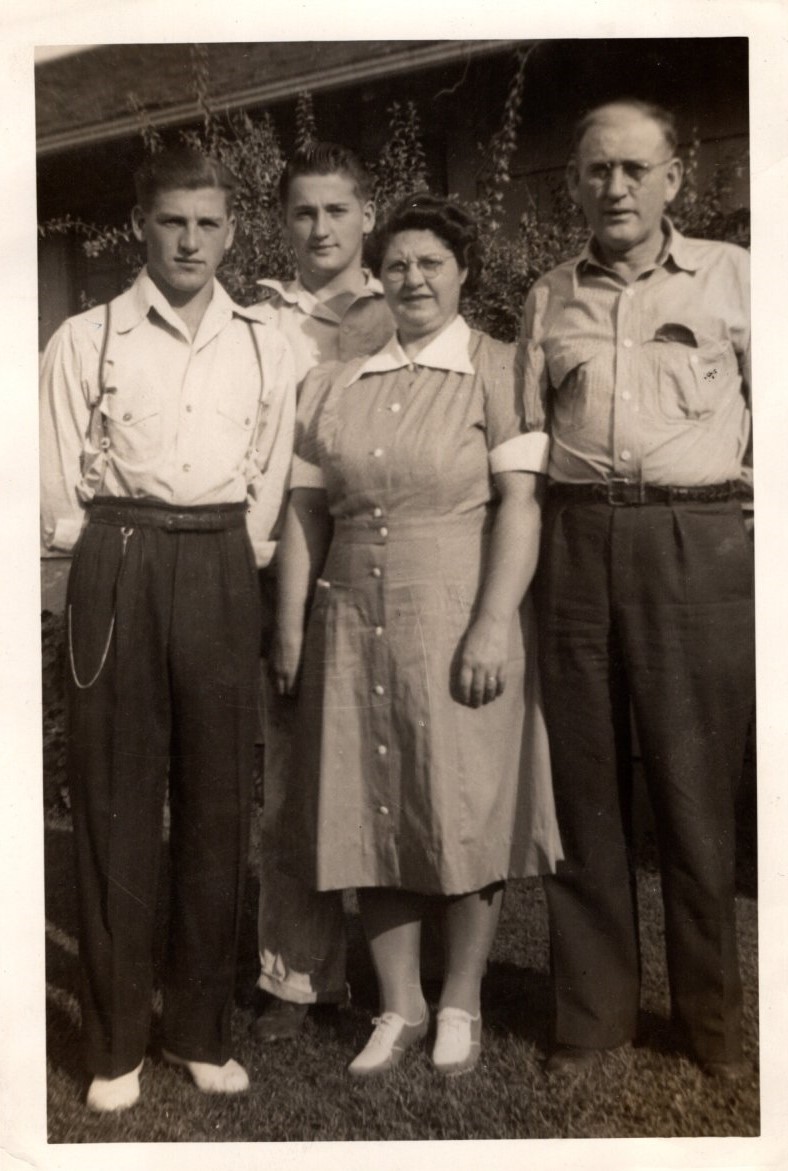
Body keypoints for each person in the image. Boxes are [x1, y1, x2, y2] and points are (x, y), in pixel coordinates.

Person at [272, 193, 562, 1078]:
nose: (413, 278)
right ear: (378, 275)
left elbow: (522, 506)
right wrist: (288, 627)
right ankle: (400, 1005)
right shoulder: (333, 382)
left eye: (431, 262)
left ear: (464, 270)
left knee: (464, 805)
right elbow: (304, 514)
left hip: (457, 612)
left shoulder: (501, 371)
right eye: (397, 264)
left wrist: (489, 623)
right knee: (369, 809)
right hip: (351, 620)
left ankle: (462, 1001)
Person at [39, 148, 296, 1111]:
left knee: (220, 797)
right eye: (172, 222)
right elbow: (55, 473)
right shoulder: (88, 336)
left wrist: (241, 555)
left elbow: (269, 470)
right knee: (112, 792)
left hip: (223, 558)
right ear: (142, 225)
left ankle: (198, 1025)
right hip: (120, 554)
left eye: (208, 223)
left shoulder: (269, 342)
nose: (190, 240)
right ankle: (112, 1041)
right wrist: (103, 547)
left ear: (231, 232)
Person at [517, 100, 754, 1080]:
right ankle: (592, 1015)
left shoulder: (734, 278)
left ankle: (709, 1024)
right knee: (583, 787)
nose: (612, 187)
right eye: (593, 170)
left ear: (671, 180)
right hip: (574, 539)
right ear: (572, 183)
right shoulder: (544, 297)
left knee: (691, 789)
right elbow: (529, 445)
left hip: (691, 541)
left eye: (631, 169)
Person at [251, 143, 395, 1043]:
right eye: (303, 212)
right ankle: (297, 975)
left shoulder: (405, 306)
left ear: (367, 215)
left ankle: (399, 978)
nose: (319, 228)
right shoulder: (260, 320)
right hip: (281, 559)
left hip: (385, 557)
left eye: (336, 210)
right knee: (293, 777)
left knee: (389, 764)